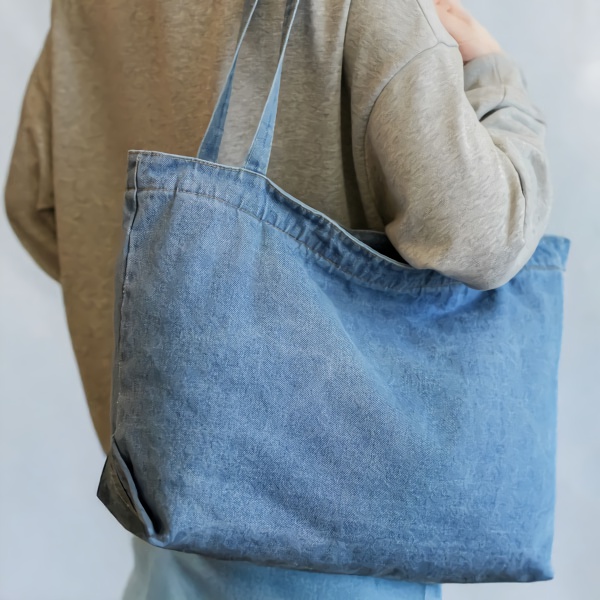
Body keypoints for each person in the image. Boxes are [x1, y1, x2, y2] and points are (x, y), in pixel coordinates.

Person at [4, 0, 552, 597]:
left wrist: (173, 321)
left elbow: (36, 203)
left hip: (170, 519)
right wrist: (496, 76)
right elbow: (486, 237)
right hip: (335, 558)